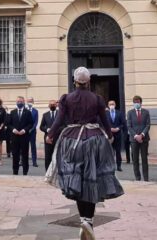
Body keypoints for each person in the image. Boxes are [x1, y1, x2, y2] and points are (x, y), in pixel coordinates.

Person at [46, 67, 124, 240]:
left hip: (71, 140)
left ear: (75, 81)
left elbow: (59, 119)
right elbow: (105, 121)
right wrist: (110, 137)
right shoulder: (97, 99)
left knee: (77, 180)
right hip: (95, 140)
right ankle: (88, 220)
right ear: (88, 82)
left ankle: (83, 220)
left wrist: (50, 134)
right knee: (93, 180)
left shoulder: (67, 98)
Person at [127, 95, 150, 182]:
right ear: (133, 103)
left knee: (144, 159)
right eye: (135, 102)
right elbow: (129, 126)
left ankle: (146, 178)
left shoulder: (146, 112)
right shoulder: (130, 113)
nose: (136, 103)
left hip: (144, 139)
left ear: (141, 103)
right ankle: (137, 177)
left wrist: (142, 135)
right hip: (134, 139)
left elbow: (148, 125)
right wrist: (136, 136)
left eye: (138, 102)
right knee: (135, 159)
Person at [7, 96, 33, 176]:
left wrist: (24, 130)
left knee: (25, 155)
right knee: (15, 155)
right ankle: (15, 171)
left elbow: (30, 124)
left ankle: (25, 171)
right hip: (15, 137)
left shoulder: (28, 112)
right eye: (18, 101)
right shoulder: (12, 112)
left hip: (24, 137)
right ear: (16, 102)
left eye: (21, 101)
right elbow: (9, 124)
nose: (19, 103)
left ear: (24, 102)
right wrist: (13, 130)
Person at [105, 100, 125, 172]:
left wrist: (118, 128)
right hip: (109, 135)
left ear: (115, 105)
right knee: (110, 151)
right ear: (108, 105)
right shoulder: (105, 114)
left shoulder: (119, 113)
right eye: (110, 104)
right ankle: (111, 165)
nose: (111, 105)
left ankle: (119, 166)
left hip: (118, 135)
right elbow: (103, 123)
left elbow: (123, 123)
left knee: (118, 151)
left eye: (113, 104)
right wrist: (109, 129)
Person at [40, 100, 58, 170]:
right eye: (51, 104)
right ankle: (47, 172)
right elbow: (41, 126)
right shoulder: (45, 115)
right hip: (48, 138)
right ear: (48, 106)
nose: (52, 106)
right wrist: (47, 129)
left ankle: (56, 171)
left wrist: (55, 130)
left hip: (57, 138)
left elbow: (63, 125)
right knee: (48, 156)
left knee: (57, 156)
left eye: (54, 104)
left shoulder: (60, 114)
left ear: (56, 105)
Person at [26, 97, 39, 168]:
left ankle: (34, 162)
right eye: (28, 101)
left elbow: (36, 122)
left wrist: (32, 129)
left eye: (31, 101)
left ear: (33, 102)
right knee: (24, 147)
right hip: (25, 132)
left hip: (32, 132)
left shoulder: (35, 111)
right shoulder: (24, 110)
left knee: (33, 147)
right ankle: (23, 161)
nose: (29, 102)